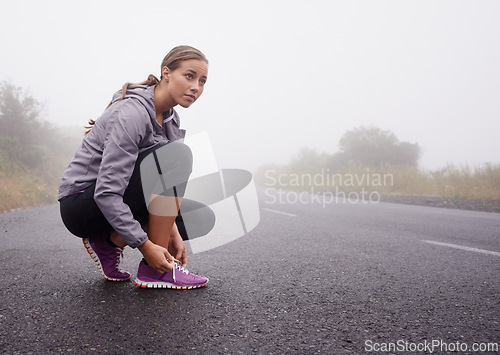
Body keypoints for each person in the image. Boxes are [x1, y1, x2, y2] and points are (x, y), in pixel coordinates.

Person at [59, 45, 215, 289]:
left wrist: (171, 230)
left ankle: (109, 241)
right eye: (189, 76)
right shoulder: (131, 113)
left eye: (203, 81)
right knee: (179, 154)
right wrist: (147, 245)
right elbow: (107, 192)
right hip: (81, 203)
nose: (196, 86)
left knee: (200, 218)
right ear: (166, 73)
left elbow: (164, 185)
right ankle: (155, 271)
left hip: (119, 197)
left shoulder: (171, 119)